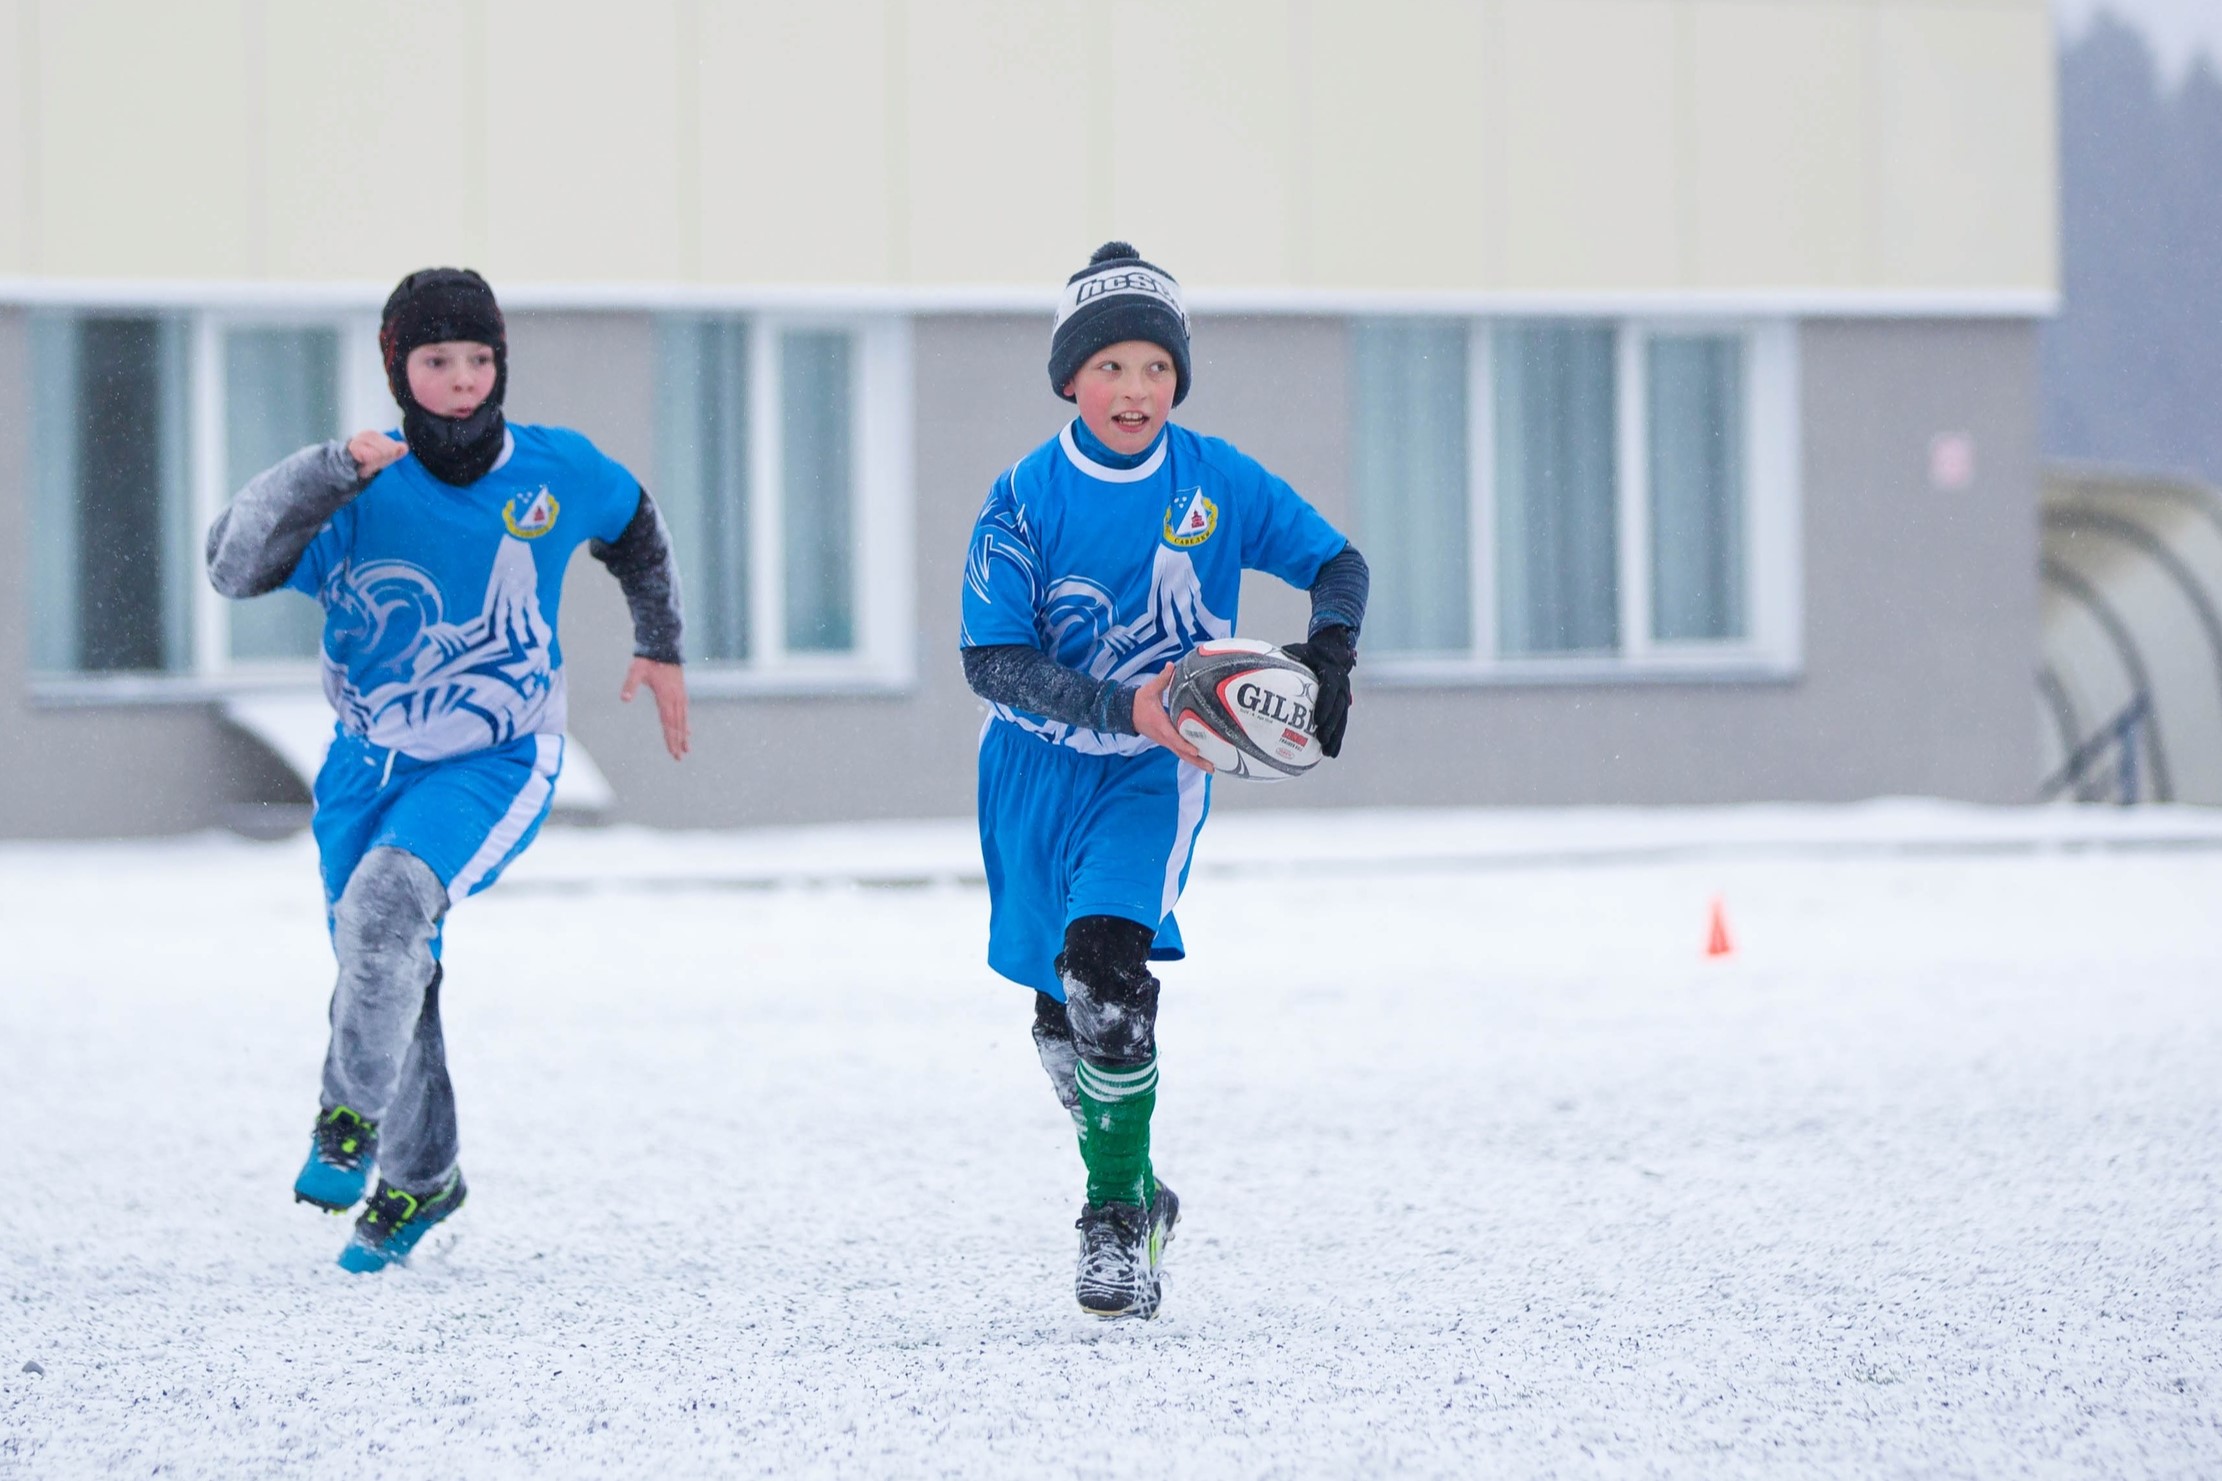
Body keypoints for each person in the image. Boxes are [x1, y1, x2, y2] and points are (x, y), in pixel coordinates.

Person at [205, 268, 690, 1272]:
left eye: (479, 359)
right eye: (437, 360)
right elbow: (230, 563)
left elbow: (634, 521)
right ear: (399, 369)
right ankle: (424, 1175)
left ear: (499, 363)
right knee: (384, 966)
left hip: (497, 754)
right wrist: (324, 467)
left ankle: (345, 1122)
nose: (463, 379)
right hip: (364, 768)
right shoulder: (356, 489)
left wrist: (660, 640)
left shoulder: (551, 471)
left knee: (385, 914)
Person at [960, 242, 1370, 1319]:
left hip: (1156, 770)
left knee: (1105, 975)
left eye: (1153, 367)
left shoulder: (1216, 478)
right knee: (1058, 1019)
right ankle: (1141, 1191)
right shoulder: (1021, 498)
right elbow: (988, 660)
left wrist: (1329, 653)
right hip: (1029, 772)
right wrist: (1112, 701)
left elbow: (1338, 563)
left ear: (1176, 376)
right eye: (1109, 368)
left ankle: (1107, 1225)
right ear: (1069, 379)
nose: (1133, 390)